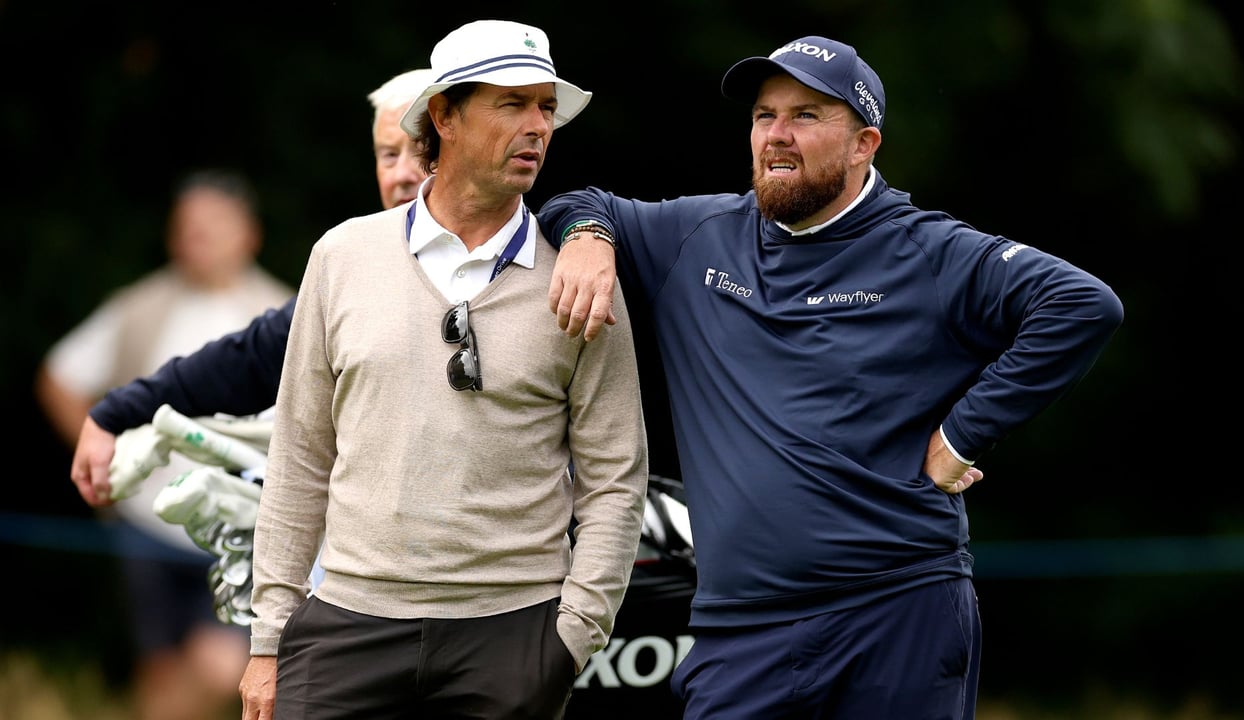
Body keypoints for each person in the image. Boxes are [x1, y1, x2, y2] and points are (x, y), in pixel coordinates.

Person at [540, 34, 1125, 719]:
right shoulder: (697, 237)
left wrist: (963, 435)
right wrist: (587, 236)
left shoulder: (929, 251)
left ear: (863, 145)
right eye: (764, 115)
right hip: (741, 631)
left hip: (897, 609)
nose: (777, 135)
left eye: (806, 116)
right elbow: (580, 201)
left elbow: (1081, 305)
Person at [238, 19, 649, 720]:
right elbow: (300, 452)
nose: (537, 126)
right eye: (511, 104)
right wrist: (269, 637)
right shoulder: (342, 257)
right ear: (444, 116)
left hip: (514, 635)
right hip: (347, 624)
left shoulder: (581, 276)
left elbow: (615, 476)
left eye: (546, 107)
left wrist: (572, 637)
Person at [67, 68, 435, 509]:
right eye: (388, 154)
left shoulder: (520, 263)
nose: (403, 173)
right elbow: (245, 362)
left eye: (422, 149)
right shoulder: (348, 276)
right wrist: (114, 415)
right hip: (152, 526)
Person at [34, 168, 295, 720]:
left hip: (241, 530)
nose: (197, 237)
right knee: (158, 672)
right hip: (144, 525)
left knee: (220, 666)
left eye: (212, 224)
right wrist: (101, 461)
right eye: (187, 225)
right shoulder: (140, 306)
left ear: (248, 233)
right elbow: (60, 378)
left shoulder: (283, 313)